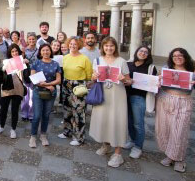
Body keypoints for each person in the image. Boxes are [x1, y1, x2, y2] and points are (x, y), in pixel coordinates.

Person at [89, 37, 131, 168]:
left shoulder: (122, 61)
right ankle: (105, 145)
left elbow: (129, 81)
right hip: (103, 94)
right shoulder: (97, 60)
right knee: (104, 120)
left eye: (111, 46)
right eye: (106, 46)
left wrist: (124, 79)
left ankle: (118, 154)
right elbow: (93, 79)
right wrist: (93, 77)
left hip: (117, 95)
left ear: (115, 48)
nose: (109, 48)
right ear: (102, 47)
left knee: (118, 121)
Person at [155, 48, 194, 173]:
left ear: (185, 56)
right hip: (165, 99)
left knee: (180, 131)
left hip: (183, 102)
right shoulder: (167, 67)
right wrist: (158, 80)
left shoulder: (192, 69)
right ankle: (170, 156)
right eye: (174, 55)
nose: (177, 57)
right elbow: (157, 81)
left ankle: (179, 159)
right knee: (165, 129)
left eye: (180, 55)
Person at [124, 46, 157, 159]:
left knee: (138, 123)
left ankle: (138, 147)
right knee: (129, 121)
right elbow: (124, 78)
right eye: (141, 51)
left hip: (139, 97)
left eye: (145, 52)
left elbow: (153, 84)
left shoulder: (150, 67)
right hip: (126, 96)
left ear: (148, 55)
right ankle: (132, 140)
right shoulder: (128, 64)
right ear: (136, 52)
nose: (143, 53)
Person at [59, 36, 92, 146]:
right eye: (71, 44)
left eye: (75, 44)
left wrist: (83, 84)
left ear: (79, 45)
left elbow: (89, 75)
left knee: (78, 112)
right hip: (66, 84)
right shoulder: (66, 57)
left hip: (79, 86)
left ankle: (79, 138)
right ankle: (67, 132)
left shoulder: (84, 58)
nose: (72, 46)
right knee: (67, 110)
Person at [0, 43, 30, 139]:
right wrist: (2, 68)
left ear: (19, 52)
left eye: (16, 51)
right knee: (3, 109)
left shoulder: (22, 61)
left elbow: (27, 77)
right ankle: (1, 126)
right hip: (6, 88)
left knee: (15, 110)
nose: (14, 53)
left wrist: (27, 64)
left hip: (18, 89)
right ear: (10, 53)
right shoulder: (6, 62)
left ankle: (13, 129)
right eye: (12, 51)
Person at [29, 44, 61, 148]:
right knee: (37, 115)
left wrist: (48, 85)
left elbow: (59, 80)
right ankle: (33, 136)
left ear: (50, 52)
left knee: (46, 115)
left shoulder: (56, 64)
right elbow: (34, 79)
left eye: (47, 50)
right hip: (38, 92)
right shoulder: (36, 63)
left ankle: (43, 135)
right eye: (43, 50)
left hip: (51, 93)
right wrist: (49, 86)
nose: (45, 52)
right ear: (40, 52)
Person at [21, 32, 38, 121]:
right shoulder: (24, 50)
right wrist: (23, 59)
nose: (31, 41)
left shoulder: (39, 50)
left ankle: (31, 114)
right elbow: (19, 62)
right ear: (27, 40)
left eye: (33, 39)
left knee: (32, 96)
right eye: (30, 39)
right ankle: (24, 113)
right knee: (25, 95)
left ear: (36, 40)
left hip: (35, 74)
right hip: (25, 74)